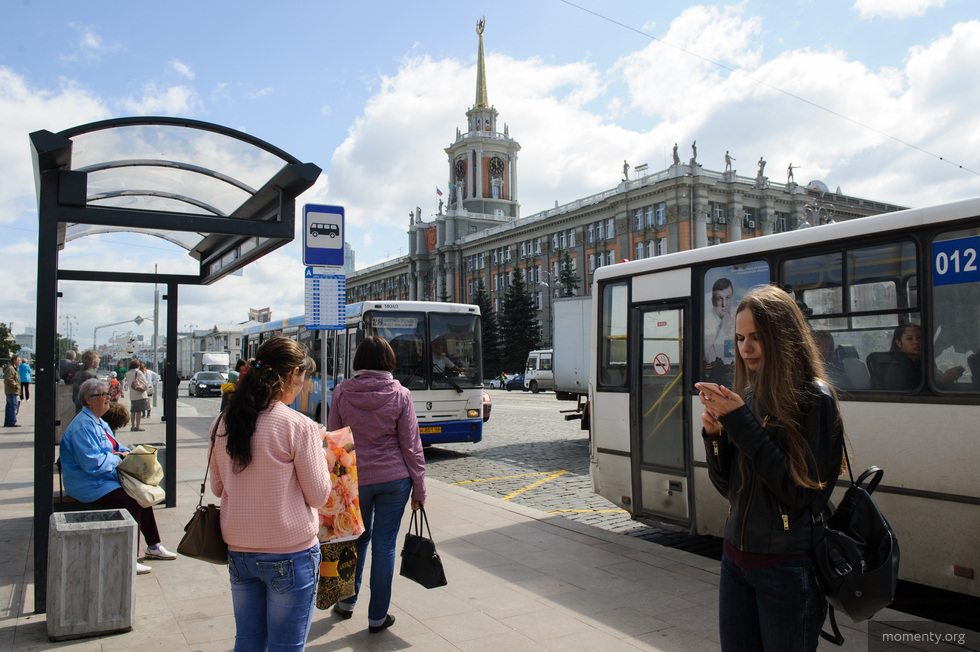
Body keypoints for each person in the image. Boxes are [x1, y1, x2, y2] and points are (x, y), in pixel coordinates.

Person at [695, 285, 844, 652]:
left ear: (784, 337)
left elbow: (800, 493)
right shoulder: (747, 398)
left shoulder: (814, 398)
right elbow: (728, 486)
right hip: (735, 559)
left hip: (786, 566)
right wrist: (714, 436)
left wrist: (740, 423)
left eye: (757, 338)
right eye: (741, 337)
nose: (745, 348)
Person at [209, 337, 330, 651]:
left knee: (248, 641)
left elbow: (218, 488)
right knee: (286, 646)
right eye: (303, 378)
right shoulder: (298, 426)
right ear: (290, 376)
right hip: (290, 552)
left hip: (239, 551)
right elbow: (319, 496)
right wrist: (317, 446)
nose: (304, 386)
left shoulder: (222, 422)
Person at [328, 336, 426, 634]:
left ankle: (346, 603)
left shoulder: (342, 392)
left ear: (358, 361)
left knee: (355, 540)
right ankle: (377, 617)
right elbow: (411, 445)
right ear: (388, 361)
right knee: (384, 546)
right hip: (394, 479)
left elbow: (334, 441)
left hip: (355, 480)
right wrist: (419, 488)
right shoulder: (401, 394)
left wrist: (333, 488)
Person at [59, 377, 176, 574]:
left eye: (108, 394)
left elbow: (115, 447)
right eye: (103, 395)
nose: (108, 398)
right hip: (89, 483)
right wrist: (119, 458)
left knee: (143, 495)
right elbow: (92, 464)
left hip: (104, 479)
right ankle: (129, 556)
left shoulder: (97, 421)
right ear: (88, 399)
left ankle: (154, 545)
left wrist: (128, 454)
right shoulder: (83, 426)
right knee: (132, 501)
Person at [881, 323, 964, 391]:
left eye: (919, 337)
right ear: (899, 343)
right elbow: (919, 393)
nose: (916, 342)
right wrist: (945, 380)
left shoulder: (918, 361)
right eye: (909, 339)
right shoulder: (899, 366)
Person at [704, 278, 736, 365]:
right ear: (712, 300)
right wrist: (722, 332)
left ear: (732, 298)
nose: (724, 304)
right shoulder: (706, 324)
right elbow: (710, 359)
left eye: (728, 298)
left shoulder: (738, 314)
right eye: (719, 299)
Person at [125, 359, 148, 431]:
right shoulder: (139, 372)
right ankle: (137, 426)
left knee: (133, 411)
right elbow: (145, 382)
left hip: (132, 395)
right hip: (140, 394)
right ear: (137, 365)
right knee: (138, 411)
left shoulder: (127, 373)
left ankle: (132, 426)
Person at [4, 355, 22, 427]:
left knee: (9, 406)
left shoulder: (13, 368)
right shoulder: (11, 369)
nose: (20, 362)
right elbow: (9, 379)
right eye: (19, 360)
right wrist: (16, 386)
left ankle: (8, 421)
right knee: (13, 406)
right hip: (12, 391)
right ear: (14, 361)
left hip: (11, 391)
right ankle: (12, 422)